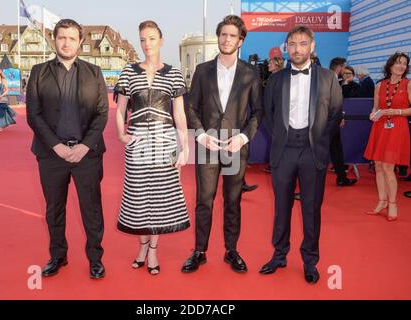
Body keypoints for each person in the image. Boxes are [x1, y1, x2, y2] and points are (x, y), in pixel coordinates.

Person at [26, 19, 109, 279]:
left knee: (92, 210)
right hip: (51, 155)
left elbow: (102, 113)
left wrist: (84, 146)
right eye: (62, 37)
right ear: (54, 39)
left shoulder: (94, 72)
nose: (66, 43)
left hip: (87, 154)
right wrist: (57, 146)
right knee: (54, 209)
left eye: (72, 38)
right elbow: (33, 115)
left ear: (80, 41)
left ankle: (95, 258)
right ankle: (58, 256)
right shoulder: (38, 72)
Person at [260, 26, 343, 284]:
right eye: (293, 44)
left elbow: (335, 114)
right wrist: (281, 137)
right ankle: (279, 254)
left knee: (311, 210)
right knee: (281, 208)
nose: (297, 48)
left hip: (313, 151)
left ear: (312, 46)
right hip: (283, 150)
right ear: (287, 47)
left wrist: (317, 139)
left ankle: (310, 260)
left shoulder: (329, 78)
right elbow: (267, 113)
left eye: (303, 43)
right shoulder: (275, 80)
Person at [182, 15, 262, 274]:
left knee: (233, 200)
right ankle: (200, 250)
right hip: (208, 147)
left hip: (236, 149)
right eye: (223, 34)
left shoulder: (250, 74)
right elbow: (191, 107)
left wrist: (243, 137)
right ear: (219, 37)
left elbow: (258, 111)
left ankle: (231, 250)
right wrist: (201, 135)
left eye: (232, 35)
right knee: (204, 200)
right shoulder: (203, 70)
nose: (226, 39)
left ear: (241, 41)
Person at [115, 20, 190, 275]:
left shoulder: (174, 73)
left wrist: (185, 146)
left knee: (160, 199)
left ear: (161, 40)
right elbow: (121, 109)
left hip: (164, 140)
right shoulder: (128, 71)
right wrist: (120, 134)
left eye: (151, 38)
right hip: (137, 141)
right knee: (138, 197)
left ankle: (154, 250)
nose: (147, 44)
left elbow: (179, 114)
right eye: (143, 39)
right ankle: (142, 246)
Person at [364, 52, 411, 222]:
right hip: (380, 127)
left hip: (397, 127)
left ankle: (393, 203)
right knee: (378, 166)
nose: (401, 66)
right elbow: (375, 108)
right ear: (390, 65)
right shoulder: (379, 85)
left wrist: (397, 111)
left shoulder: (407, 84)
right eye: (398, 63)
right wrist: (373, 114)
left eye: (404, 64)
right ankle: (382, 201)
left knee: (389, 167)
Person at [329, 57, 357, 186]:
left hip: (330, 120)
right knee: (334, 149)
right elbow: (333, 101)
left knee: (335, 149)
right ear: (339, 67)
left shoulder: (331, 78)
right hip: (329, 121)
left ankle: (341, 177)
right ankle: (341, 177)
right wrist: (339, 117)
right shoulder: (331, 79)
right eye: (344, 67)